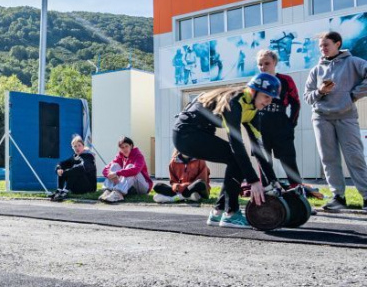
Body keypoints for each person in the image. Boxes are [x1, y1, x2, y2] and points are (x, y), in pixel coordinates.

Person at [173, 73, 280, 228]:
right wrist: (253, 181)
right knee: (236, 159)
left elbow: (258, 148)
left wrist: (272, 180)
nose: (268, 102)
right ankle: (231, 213)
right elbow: (236, 144)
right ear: (252, 91)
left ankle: (218, 212)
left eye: (271, 98)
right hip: (186, 134)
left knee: (236, 160)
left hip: (199, 132)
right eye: (266, 96)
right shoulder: (234, 102)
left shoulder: (252, 109)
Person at [304, 31, 367, 211]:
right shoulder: (316, 70)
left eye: (326, 45)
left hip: (346, 116)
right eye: (320, 46)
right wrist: (321, 91)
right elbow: (308, 97)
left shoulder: (353, 62)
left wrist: (352, 95)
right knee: (329, 158)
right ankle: (338, 198)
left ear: (337, 44)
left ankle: (366, 196)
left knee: (354, 156)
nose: (322, 49)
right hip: (321, 117)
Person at [255, 49, 303, 188]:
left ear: (274, 62)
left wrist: (291, 124)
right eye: (260, 64)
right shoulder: (255, 82)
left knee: (288, 159)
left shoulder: (286, 80)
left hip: (280, 122)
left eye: (267, 63)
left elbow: (296, 102)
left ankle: (297, 190)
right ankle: (267, 190)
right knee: (263, 160)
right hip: (260, 123)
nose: (263, 67)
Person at [100, 136, 153, 203]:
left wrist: (117, 173)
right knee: (114, 166)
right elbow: (105, 169)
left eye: (126, 146)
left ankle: (118, 194)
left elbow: (135, 170)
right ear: (120, 149)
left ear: (131, 146)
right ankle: (108, 191)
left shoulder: (138, 155)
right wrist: (112, 176)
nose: (125, 149)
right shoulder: (120, 156)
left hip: (143, 187)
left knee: (130, 167)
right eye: (122, 147)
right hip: (129, 186)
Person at [50, 135, 97, 202]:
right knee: (62, 168)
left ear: (83, 146)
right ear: (72, 148)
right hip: (77, 186)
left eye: (79, 145)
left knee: (75, 169)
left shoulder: (88, 156)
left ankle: (65, 192)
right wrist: (58, 169)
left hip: (88, 187)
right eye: (75, 146)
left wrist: (65, 172)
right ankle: (59, 190)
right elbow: (62, 163)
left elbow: (82, 167)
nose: (77, 148)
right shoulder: (74, 156)